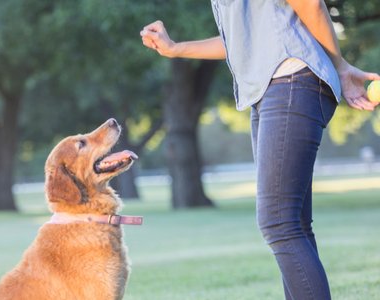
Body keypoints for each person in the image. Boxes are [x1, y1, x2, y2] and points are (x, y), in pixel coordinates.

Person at [140, 0, 379, 299]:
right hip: (271, 88)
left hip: (292, 79)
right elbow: (242, 41)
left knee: (278, 221)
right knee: (293, 225)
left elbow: (309, 4)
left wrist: (341, 67)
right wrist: (175, 48)